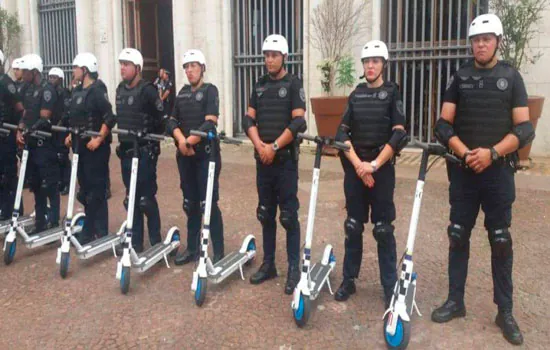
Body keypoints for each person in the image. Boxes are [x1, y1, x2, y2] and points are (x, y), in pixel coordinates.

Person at [431, 14, 535, 346]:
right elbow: (443, 125)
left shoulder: (511, 77)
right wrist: (465, 153)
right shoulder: (459, 77)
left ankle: (504, 311)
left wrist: (491, 153)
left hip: (497, 173)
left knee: (501, 239)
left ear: (498, 42)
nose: (481, 44)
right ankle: (455, 301)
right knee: (458, 235)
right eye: (476, 40)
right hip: (463, 172)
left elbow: (524, 128)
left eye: (487, 39)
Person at [333, 40, 408, 307]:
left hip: (381, 170)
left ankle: (390, 285)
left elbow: (399, 133)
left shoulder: (392, 94)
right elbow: (341, 134)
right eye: (367, 62)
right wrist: (359, 166)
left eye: (375, 61)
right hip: (357, 170)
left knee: (383, 229)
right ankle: (348, 279)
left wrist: (374, 165)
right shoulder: (356, 95)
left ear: (384, 64)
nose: (371, 66)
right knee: (353, 225)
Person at [242, 34, 307, 295]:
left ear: (284, 58)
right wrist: (260, 146)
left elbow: (298, 122)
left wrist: (275, 147)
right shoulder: (258, 86)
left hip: (285, 161)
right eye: (267, 55)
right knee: (265, 212)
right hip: (263, 160)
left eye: (274, 55)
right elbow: (248, 120)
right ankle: (269, 264)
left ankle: (294, 268)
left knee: (289, 216)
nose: (269, 60)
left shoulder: (293, 84)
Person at [166, 49, 225, 265]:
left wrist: (189, 142)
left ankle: (218, 250)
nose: (189, 70)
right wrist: (182, 141)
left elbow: (210, 122)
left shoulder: (211, 91)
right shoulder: (181, 93)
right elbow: (171, 121)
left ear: (202, 68)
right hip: (185, 157)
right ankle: (192, 248)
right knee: (190, 204)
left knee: (207, 204)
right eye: (186, 67)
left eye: (193, 66)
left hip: (206, 157)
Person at [115, 48, 166, 253]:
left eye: (126, 64)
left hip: (145, 151)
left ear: (137, 68)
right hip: (126, 151)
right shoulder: (120, 89)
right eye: (121, 64)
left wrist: (150, 137)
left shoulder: (148, 90)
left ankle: (156, 240)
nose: (122, 68)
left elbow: (161, 121)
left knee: (145, 199)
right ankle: (135, 241)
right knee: (131, 199)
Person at [64, 53, 115, 244]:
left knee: (96, 189)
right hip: (80, 147)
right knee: (85, 190)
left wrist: (99, 138)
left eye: (76, 68)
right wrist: (71, 135)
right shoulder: (77, 91)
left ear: (85, 70)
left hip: (95, 149)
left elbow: (109, 117)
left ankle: (99, 230)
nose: (74, 71)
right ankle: (91, 226)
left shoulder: (97, 90)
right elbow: (76, 118)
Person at [17, 54, 60, 232]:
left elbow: (44, 117)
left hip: (45, 145)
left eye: (26, 71)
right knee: (35, 185)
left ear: (34, 72)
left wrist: (30, 129)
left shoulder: (47, 90)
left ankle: (54, 220)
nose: (23, 74)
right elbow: (25, 113)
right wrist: (20, 129)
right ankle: (40, 221)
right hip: (31, 144)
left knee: (49, 184)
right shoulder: (27, 89)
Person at [0, 51, 26, 220]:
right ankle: (4, 210)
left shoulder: (6, 83)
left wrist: (18, 130)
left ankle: (15, 210)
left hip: (6, 136)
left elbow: (20, 109)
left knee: (8, 175)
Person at [48, 67, 71, 195]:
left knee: (63, 156)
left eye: (54, 77)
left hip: (62, 129)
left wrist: (60, 123)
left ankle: (66, 182)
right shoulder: (49, 92)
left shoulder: (65, 93)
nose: (51, 80)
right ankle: (59, 181)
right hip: (52, 129)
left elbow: (66, 111)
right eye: (50, 77)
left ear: (61, 79)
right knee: (54, 157)